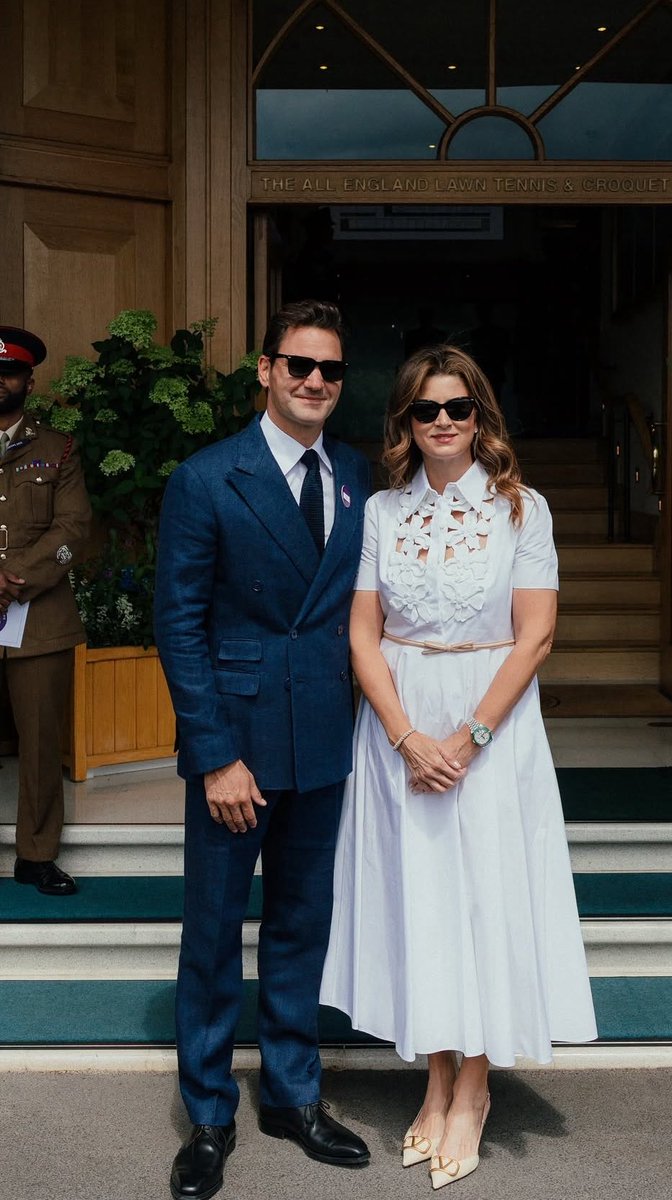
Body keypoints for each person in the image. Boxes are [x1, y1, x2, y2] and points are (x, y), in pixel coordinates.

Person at [321, 345, 597, 1191]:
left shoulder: (524, 508)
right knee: (421, 901)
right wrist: (407, 736)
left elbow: (536, 635)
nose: (442, 423)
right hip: (398, 725)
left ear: (482, 415)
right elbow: (361, 633)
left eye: (458, 409)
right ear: (404, 422)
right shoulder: (378, 512)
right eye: (425, 411)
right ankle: (435, 1073)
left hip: (491, 724)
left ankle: (473, 1088)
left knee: (483, 897)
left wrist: (468, 738)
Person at [154, 299, 372, 1200]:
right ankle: (209, 1112)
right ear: (265, 372)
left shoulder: (359, 472)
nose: (314, 381)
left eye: (328, 370)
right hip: (235, 744)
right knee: (211, 934)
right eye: (298, 365)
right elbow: (180, 623)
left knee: (299, 927)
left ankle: (290, 1094)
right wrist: (214, 755)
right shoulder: (207, 478)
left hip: (323, 734)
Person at [0, 325, 91, 896]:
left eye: (9, 372)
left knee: (38, 743)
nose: (0, 382)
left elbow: (74, 528)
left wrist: (15, 580)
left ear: (29, 381)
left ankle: (35, 855)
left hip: (38, 617)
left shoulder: (58, 446)